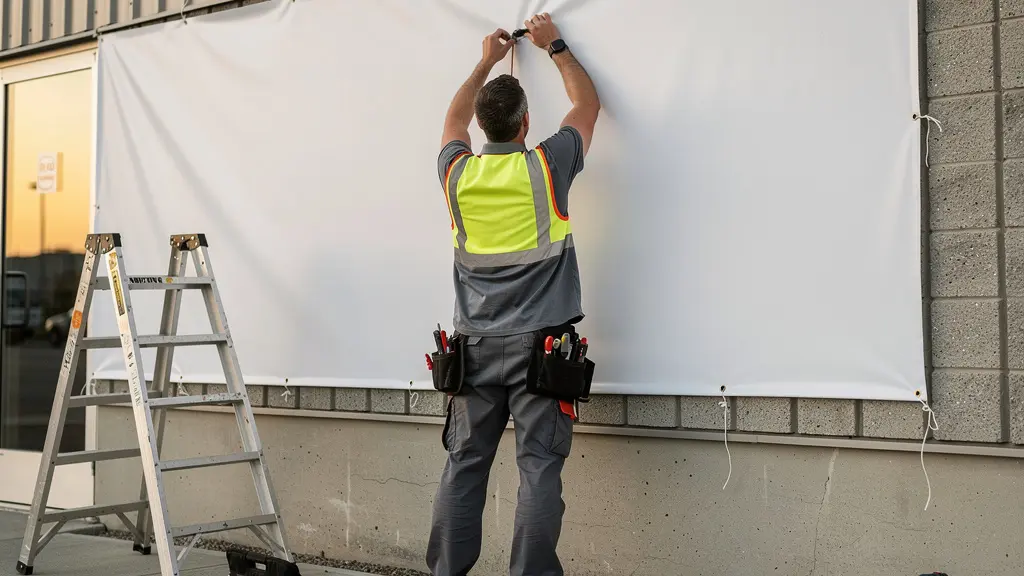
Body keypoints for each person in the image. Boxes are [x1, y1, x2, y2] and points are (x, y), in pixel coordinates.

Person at [426, 12, 600, 576]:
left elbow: (451, 117)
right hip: (540, 353)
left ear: (482, 129)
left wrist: (486, 61)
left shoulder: (457, 175)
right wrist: (556, 47)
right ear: (526, 125)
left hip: (473, 349)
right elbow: (586, 106)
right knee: (539, 468)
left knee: (464, 466)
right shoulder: (547, 168)